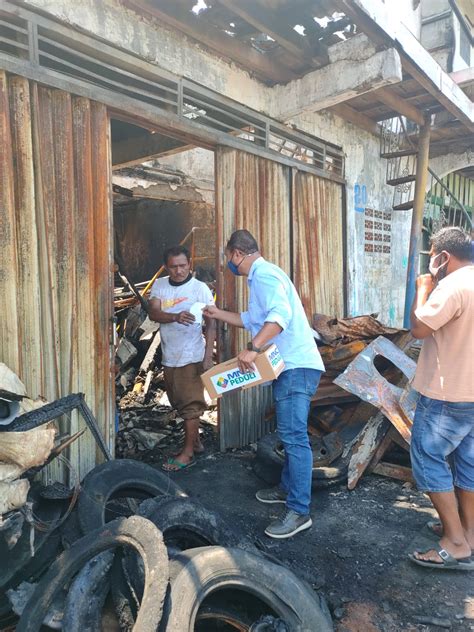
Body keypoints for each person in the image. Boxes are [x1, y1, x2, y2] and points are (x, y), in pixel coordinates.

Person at [203, 229, 324, 539]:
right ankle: (287, 489)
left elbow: (279, 317)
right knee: (288, 432)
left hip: (296, 367)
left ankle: (299, 512)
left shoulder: (266, 275)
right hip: (288, 367)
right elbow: (250, 318)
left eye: (228, 257)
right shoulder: (260, 278)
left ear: (237, 253)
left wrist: (253, 348)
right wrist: (218, 313)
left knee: (294, 437)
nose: (229, 263)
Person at [408, 227, 474, 570]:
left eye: (434, 254)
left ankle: (455, 542)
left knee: (427, 456)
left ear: (443, 257)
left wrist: (423, 288)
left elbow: (419, 327)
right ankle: (469, 532)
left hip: (447, 394)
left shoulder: (452, 285)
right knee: (467, 463)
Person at [149, 246, 216, 471]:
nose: (179, 271)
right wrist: (175, 316)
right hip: (170, 355)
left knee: (190, 405)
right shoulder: (159, 286)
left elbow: (211, 323)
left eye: (183, 265)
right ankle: (195, 443)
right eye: (174, 266)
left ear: (190, 264)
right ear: (166, 267)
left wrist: (208, 356)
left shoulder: (200, 289)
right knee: (177, 400)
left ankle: (187, 453)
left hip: (192, 355)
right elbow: (154, 313)